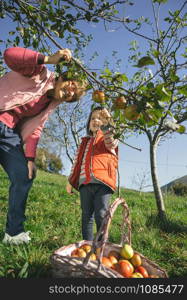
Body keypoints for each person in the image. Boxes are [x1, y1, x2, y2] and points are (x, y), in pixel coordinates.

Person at [0, 46, 88, 245]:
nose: (71, 92)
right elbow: (9, 55)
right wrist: (48, 58)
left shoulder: (49, 105)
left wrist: (30, 159)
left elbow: (35, 130)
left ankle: (13, 234)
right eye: (72, 85)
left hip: (8, 134)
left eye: (74, 95)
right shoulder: (38, 72)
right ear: (63, 78)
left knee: (24, 175)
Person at [66, 107, 118, 241]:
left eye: (100, 118)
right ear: (89, 123)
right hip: (85, 183)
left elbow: (111, 141)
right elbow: (76, 163)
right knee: (86, 215)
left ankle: (102, 245)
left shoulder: (107, 138)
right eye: (93, 118)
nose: (96, 120)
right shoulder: (84, 142)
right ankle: (87, 245)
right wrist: (70, 181)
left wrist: (108, 125)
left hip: (103, 183)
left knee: (101, 214)